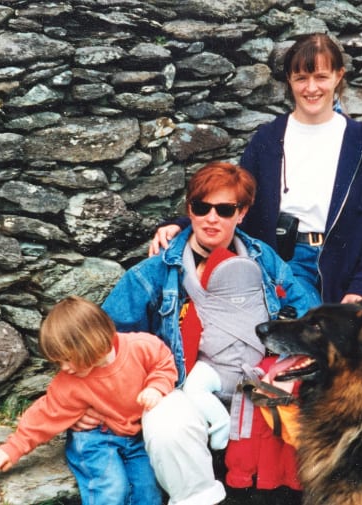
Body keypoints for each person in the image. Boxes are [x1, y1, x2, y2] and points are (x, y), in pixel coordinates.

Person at [80, 161, 320, 505]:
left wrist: (287, 368)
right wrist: (91, 398)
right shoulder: (155, 273)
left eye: (225, 210)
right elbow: (103, 341)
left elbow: (309, 315)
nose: (212, 218)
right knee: (165, 422)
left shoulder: (263, 259)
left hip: (264, 381)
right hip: (188, 385)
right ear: (188, 210)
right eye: (201, 207)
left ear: (242, 213)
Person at [151, 33, 362, 305]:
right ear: (289, 81)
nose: (311, 88)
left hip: (345, 267)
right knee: (305, 338)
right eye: (301, 78)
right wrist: (181, 224)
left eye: (321, 77)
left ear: (339, 76)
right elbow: (235, 199)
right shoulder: (268, 139)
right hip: (286, 262)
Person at [0, 296, 178, 505]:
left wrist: (156, 387)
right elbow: (45, 414)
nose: (64, 368)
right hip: (95, 439)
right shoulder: (69, 382)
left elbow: (163, 363)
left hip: (136, 436)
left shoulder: (141, 347)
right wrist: (12, 449)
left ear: (91, 344)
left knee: (148, 490)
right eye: (58, 362)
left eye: (67, 359)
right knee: (112, 489)